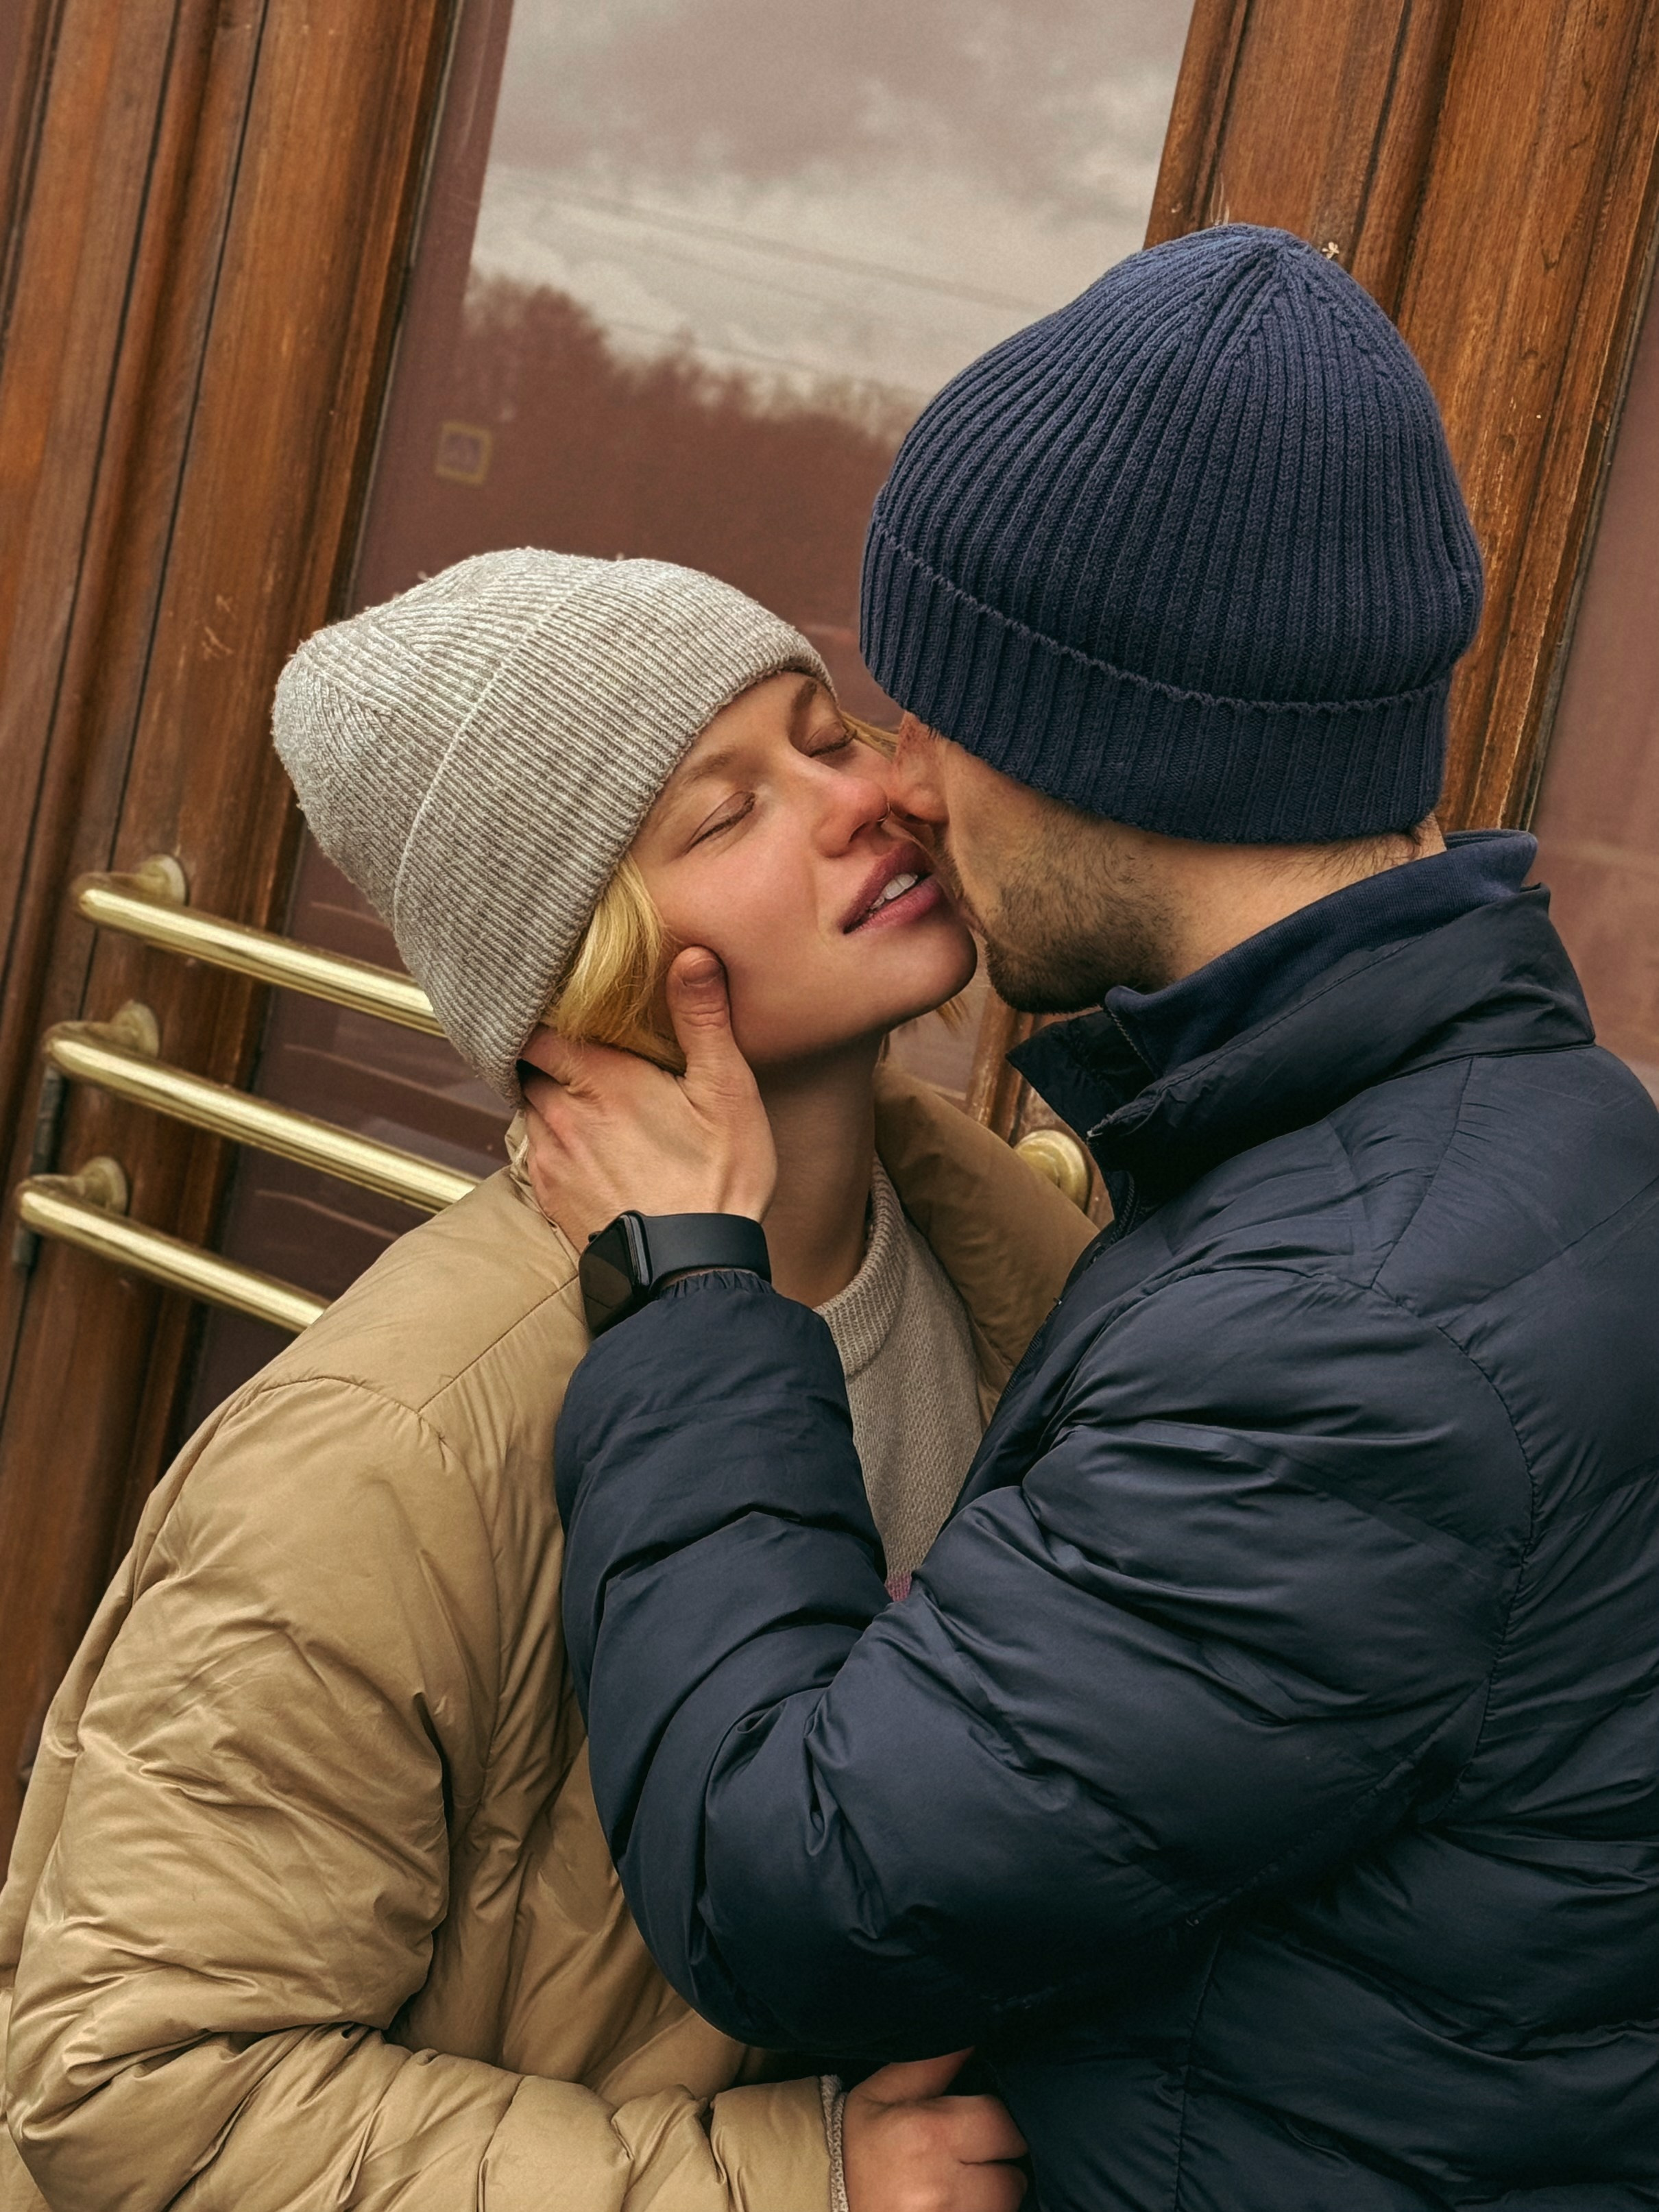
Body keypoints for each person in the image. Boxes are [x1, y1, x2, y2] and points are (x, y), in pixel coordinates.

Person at [522, 228, 1659, 2209]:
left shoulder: (1358, 1326)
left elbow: (793, 1882)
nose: (901, 786)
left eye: (927, 710)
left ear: (1113, 746)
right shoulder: (1472, 1134)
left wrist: (693, 1298)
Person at [0, 552, 1086, 2211]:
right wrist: (794, 2187)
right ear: (583, 973)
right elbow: (138, 2099)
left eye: (826, 732)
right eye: (723, 816)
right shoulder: (393, 1443)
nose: (861, 803)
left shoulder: (1021, 1258)